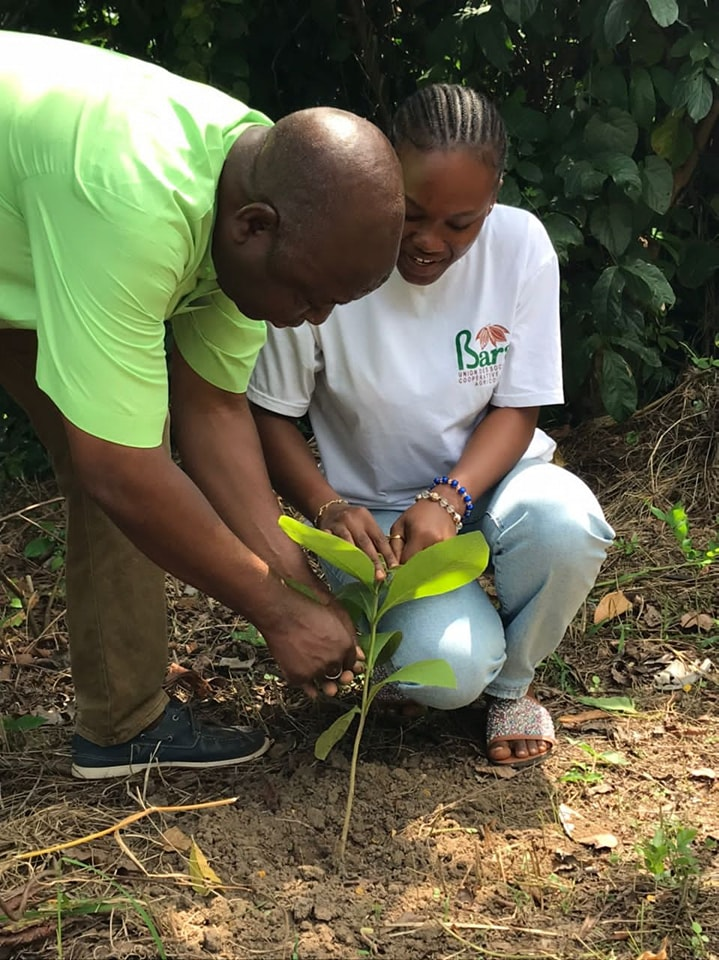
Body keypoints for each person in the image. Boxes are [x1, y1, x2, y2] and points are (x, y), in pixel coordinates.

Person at [0, 30, 405, 779]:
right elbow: (120, 469)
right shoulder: (134, 202)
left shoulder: (256, 188)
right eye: (309, 295)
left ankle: (123, 726)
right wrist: (276, 616)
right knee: (119, 456)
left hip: (25, 231)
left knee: (118, 429)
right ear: (253, 228)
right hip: (61, 207)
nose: (312, 320)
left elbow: (213, 412)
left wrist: (301, 589)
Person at [248, 83, 615, 768]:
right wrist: (329, 507)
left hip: (492, 485)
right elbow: (270, 415)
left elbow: (516, 406)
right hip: (379, 517)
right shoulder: (327, 248)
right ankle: (452, 653)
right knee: (444, 672)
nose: (427, 241)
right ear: (382, 178)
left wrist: (450, 498)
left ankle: (512, 687)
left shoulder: (518, 243)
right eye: (410, 215)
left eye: (459, 223)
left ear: (494, 199)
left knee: (565, 523)